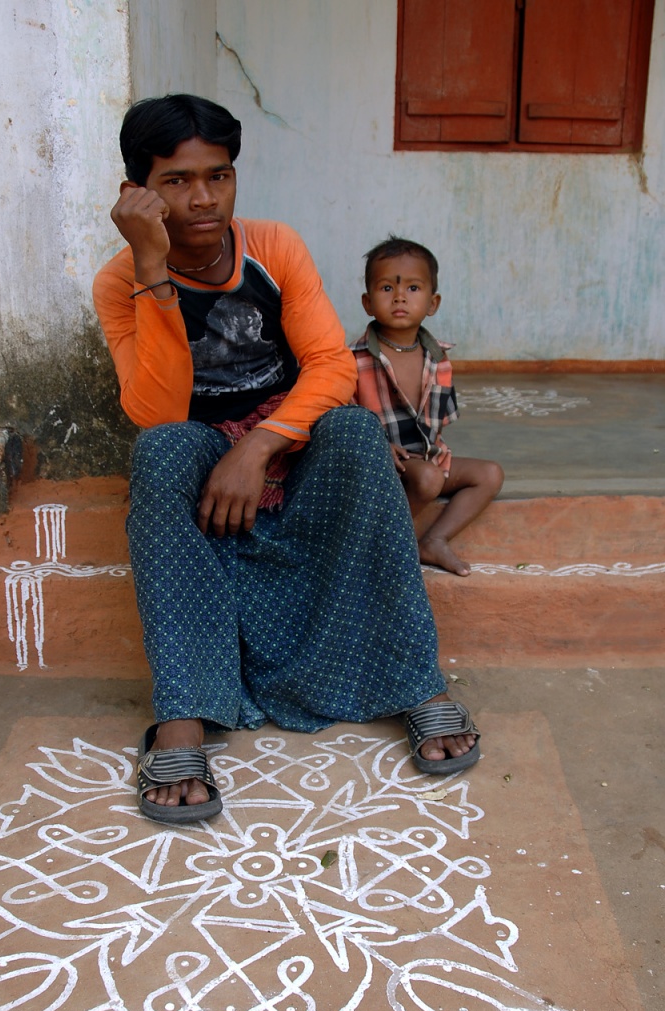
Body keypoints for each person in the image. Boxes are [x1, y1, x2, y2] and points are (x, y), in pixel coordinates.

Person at [92, 95, 480, 824]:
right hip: (201, 458)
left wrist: (260, 446)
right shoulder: (120, 283)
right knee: (162, 449)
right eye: (177, 181)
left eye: (219, 175)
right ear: (136, 193)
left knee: (356, 431)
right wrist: (152, 268)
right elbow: (158, 409)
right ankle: (183, 717)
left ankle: (417, 681)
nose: (204, 199)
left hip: (290, 443)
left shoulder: (273, 247)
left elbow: (331, 366)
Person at [351, 237, 504, 576]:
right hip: (383, 467)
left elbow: (438, 424)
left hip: (427, 462)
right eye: (387, 288)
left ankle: (433, 541)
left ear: (432, 303)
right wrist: (378, 445)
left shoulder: (439, 358)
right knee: (429, 478)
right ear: (367, 302)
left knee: (489, 474)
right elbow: (341, 419)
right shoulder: (353, 361)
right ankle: (375, 546)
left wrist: (429, 457)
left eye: (413, 288)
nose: (400, 297)